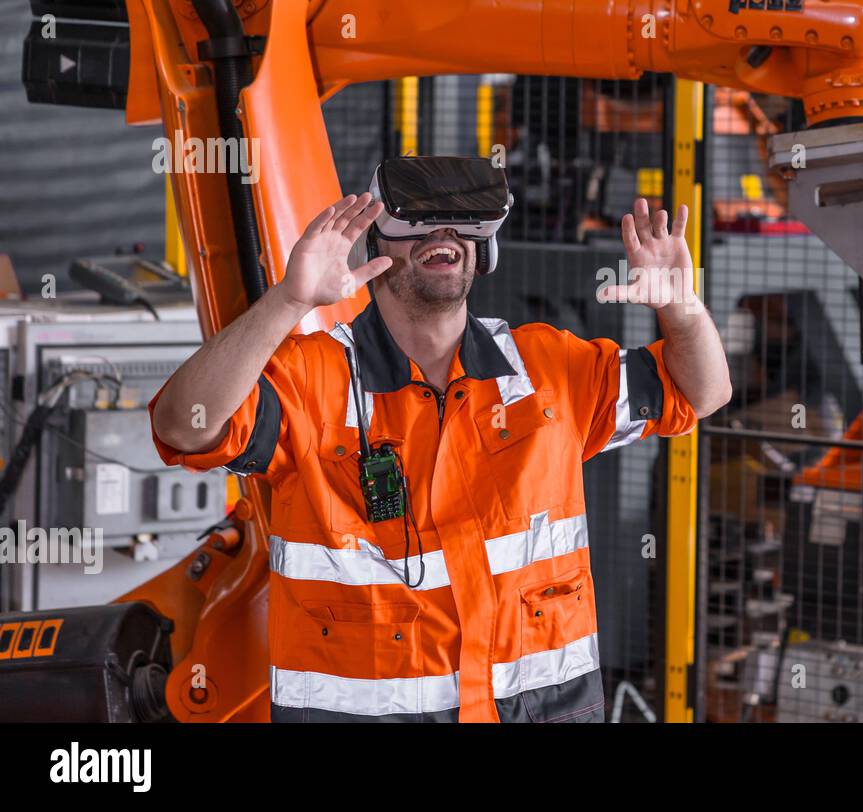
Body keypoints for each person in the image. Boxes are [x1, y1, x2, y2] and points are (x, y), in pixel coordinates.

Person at [149, 160, 730, 723]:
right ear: (375, 248)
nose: (444, 233)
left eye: (460, 222)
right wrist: (291, 300)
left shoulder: (549, 366)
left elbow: (701, 392)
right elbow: (184, 425)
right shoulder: (312, 379)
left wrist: (679, 305)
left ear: (484, 249)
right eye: (419, 221)